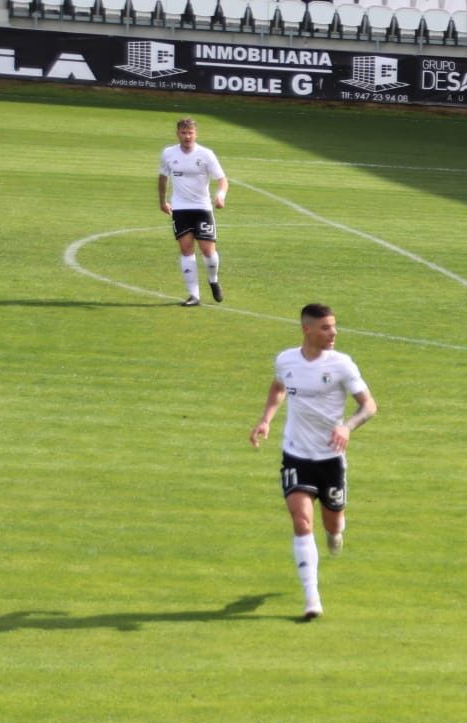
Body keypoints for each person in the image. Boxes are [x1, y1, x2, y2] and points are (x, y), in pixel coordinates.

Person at [248, 304, 378, 622]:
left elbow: (369, 405)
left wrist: (346, 427)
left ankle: (336, 532)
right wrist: (265, 420)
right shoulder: (286, 360)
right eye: (326, 328)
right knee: (302, 521)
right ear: (307, 329)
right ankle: (312, 598)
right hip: (296, 454)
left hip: (330, 459)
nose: (333, 333)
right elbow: (278, 388)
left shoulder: (342, 365)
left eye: (334, 327)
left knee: (331, 524)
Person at [158, 117, 228, 307]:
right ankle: (193, 295)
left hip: (202, 207)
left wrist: (220, 195)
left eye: (190, 133)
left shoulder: (206, 154)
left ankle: (213, 280)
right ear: (178, 134)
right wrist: (163, 200)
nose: (187, 136)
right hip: (180, 208)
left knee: (207, 250)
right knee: (186, 249)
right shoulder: (168, 153)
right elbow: (163, 177)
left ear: (195, 134)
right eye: (183, 132)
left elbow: (222, 179)